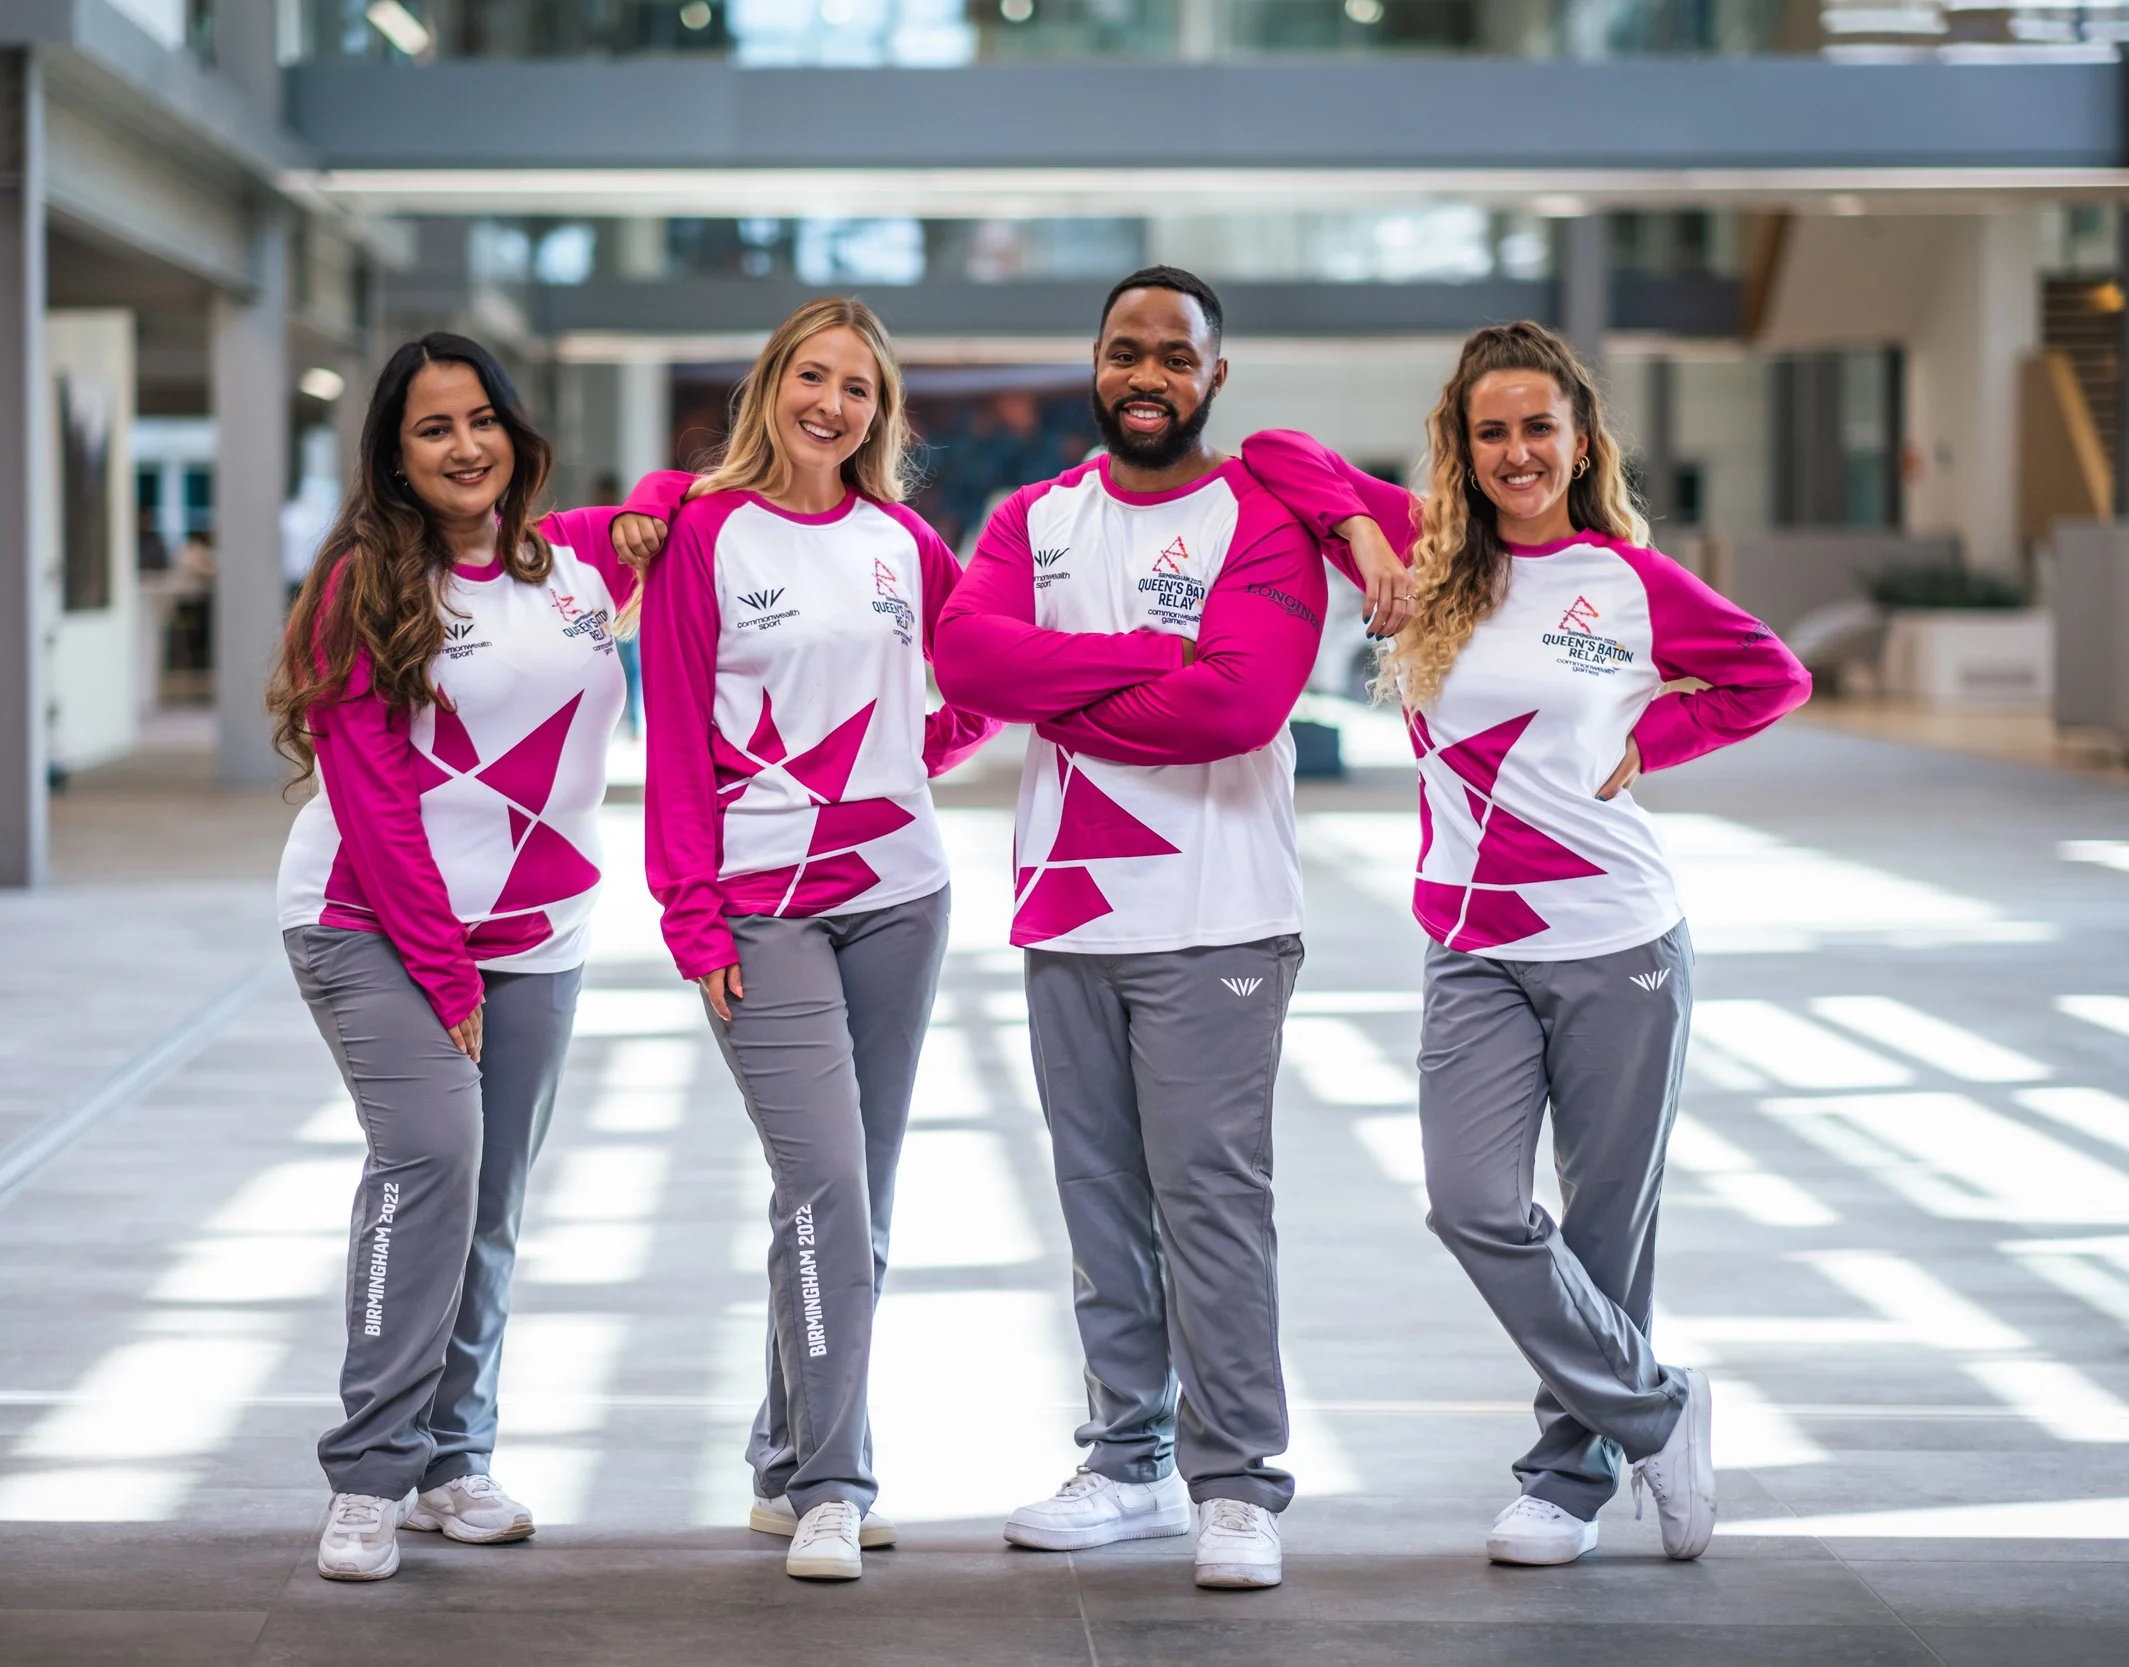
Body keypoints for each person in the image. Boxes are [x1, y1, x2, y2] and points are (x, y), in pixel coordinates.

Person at [1240, 320, 1811, 1567]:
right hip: (1472, 943)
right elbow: (1276, 449)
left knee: (1606, 1226)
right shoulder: (1428, 547)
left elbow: (1771, 676)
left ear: (1578, 440)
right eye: (1489, 430)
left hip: (1619, 938)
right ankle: (1660, 1409)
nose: (1515, 452)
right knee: (1474, 1199)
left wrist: (1654, 744)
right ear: (1461, 442)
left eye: (1536, 428)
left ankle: (1566, 1478)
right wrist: (1356, 531)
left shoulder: (1630, 582)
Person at [932, 267, 1403, 1592]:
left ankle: (1240, 1478)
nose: (1149, 373)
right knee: (1100, 1202)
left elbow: (1237, 708)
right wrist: (1150, 654)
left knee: (1210, 1202)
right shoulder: (1034, 514)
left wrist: (1063, 686)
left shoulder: (1262, 511)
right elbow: (972, 663)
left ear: (1214, 377)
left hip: (1220, 917)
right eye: (1126, 350)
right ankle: (1129, 1459)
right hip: (1067, 911)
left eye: (1175, 356)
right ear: (1096, 362)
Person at [623, 298, 1001, 1582]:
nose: (830, 403)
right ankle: (838, 1481)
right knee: (826, 1184)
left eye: (857, 387)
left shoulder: (905, 541)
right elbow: (672, 731)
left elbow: (974, 680)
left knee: (854, 1202)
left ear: (879, 413)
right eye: (810, 375)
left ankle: (787, 1457)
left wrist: (925, 753)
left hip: (902, 895)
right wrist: (689, 910)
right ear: (769, 387)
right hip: (758, 903)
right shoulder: (704, 533)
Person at [268, 333, 638, 1582]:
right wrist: (440, 970)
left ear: (516, 434)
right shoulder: (362, 585)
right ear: (393, 453)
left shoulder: (573, 562)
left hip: (541, 931)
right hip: (369, 921)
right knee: (431, 1152)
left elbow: (684, 505)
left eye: (481, 419)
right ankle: (370, 1469)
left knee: (489, 1199)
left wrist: (664, 513)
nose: (464, 445)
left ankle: (452, 1460)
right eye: (433, 428)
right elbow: (369, 803)